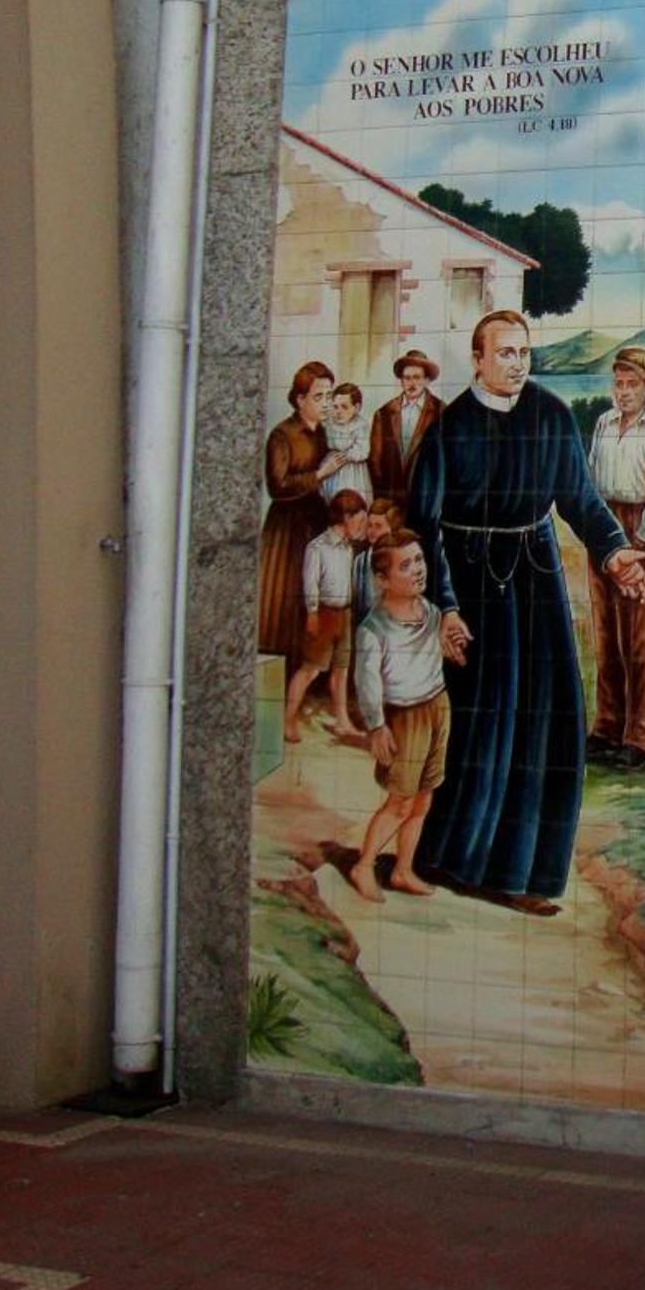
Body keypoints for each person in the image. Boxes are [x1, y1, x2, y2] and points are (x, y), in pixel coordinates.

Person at [407, 310, 645, 914]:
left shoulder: (550, 415)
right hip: (471, 585)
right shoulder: (448, 429)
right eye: (506, 353)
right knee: (482, 724)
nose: (519, 363)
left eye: (524, 352)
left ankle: (525, 874)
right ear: (478, 360)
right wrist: (444, 607)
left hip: (536, 577)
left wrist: (614, 552)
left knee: (551, 717)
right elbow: (423, 528)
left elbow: (580, 498)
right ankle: (453, 860)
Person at [349, 531, 455, 903]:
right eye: (406, 565)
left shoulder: (431, 612)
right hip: (404, 717)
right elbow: (366, 682)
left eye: (420, 560)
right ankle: (364, 865)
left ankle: (402, 869)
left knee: (424, 799)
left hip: (436, 706)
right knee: (400, 802)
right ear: (382, 580)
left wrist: (451, 647)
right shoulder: (373, 629)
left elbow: (437, 651)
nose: (418, 570)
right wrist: (377, 726)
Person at [585, 346, 645, 771]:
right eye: (618, 384)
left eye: (631, 384)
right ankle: (606, 727)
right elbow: (591, 475)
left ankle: (638, 736)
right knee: (605, 631)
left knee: (638, 635)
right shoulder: (604, 423)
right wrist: (600, 532)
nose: (623, 392)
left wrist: (636, 539)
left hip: (639, 529)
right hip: (604, 526)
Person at [258, 361, 346, 669]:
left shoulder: (322, 432)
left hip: (314, 521)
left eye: (329, 396)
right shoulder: (282, 435)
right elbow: (277, 485)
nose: (326, 403)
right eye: (319, 397)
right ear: (300, 399)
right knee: (289, 601)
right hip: (288, 530)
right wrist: (320, 474)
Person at [286, 489, 370, 742]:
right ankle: (288, 719)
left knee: (341, 671)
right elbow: (310, 583)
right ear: (346, 517)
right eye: (359, 520)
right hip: (324, 614)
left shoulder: (348, 548)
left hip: (345, 614)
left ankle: (343, 722)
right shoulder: (318, 547)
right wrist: (312, 613)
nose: (362, 526)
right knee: (310, 670)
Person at [369, 349, 442, 505]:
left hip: (426, 502)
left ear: (427, 380)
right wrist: (382, 501)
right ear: (401, 380)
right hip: (391, 503)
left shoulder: (441, 412)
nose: (411, 383)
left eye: (417, 377)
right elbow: (375, 463)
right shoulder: (384, 414)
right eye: (407, 378)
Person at [321, 381, 371, 502]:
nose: (338, 411)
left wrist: (347, 455)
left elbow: (363, 450)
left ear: (357, 407)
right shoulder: (329, 423)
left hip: (352, 470)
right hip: (331, 467)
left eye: (344, 407)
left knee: (351, 499)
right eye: (335, 407)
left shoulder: (360, 425)